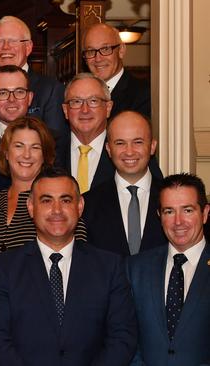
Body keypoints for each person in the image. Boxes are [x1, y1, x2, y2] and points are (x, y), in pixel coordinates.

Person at [0, 167, 137, 365]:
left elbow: (122, 337)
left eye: (66, 200)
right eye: (46, 200)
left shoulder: (109, 266)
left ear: (79, 206)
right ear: (30, 207)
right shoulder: (5, 267)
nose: (56, 210)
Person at [127, 173, 210, 365]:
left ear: (205, 213)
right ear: (159, 216)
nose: (178, 221)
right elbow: (126, 336)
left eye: (187, 210)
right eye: (169, 212)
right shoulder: (135, 268)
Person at [0, 117, 56, 293]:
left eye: (35, 147)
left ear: (45, 155)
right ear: (6, 152)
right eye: (19, 146)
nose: (26, 155)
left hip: (35, 313)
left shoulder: (56, 206)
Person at [59, 72, 161, 193]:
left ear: (108, 108)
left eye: (93, 101)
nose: (84, 110)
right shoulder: (49, 149)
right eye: (76, 102)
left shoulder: (130, 152)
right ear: (65, 110)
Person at [82, 111, 167, 256]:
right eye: (120, 143)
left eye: (138, 142)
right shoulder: (87, 204)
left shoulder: (172, 199)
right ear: (108, 149)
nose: (129, 152)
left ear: (152, 146)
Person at [0, 16, 67, 136]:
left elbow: (55, 144)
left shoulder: (51, 90)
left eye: (13, 41)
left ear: (28, 47)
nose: (5, 47)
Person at [83, 23, 150, 118]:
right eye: (91, 51)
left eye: (105, 49)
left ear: (121, 50)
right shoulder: (80, 94)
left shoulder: (143, 94)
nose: (98, 59)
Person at [0, 65, 34, 150]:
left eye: (19, 92)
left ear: (30, 98)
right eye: (3, 93)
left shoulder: (49, 140)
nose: (11, 99)